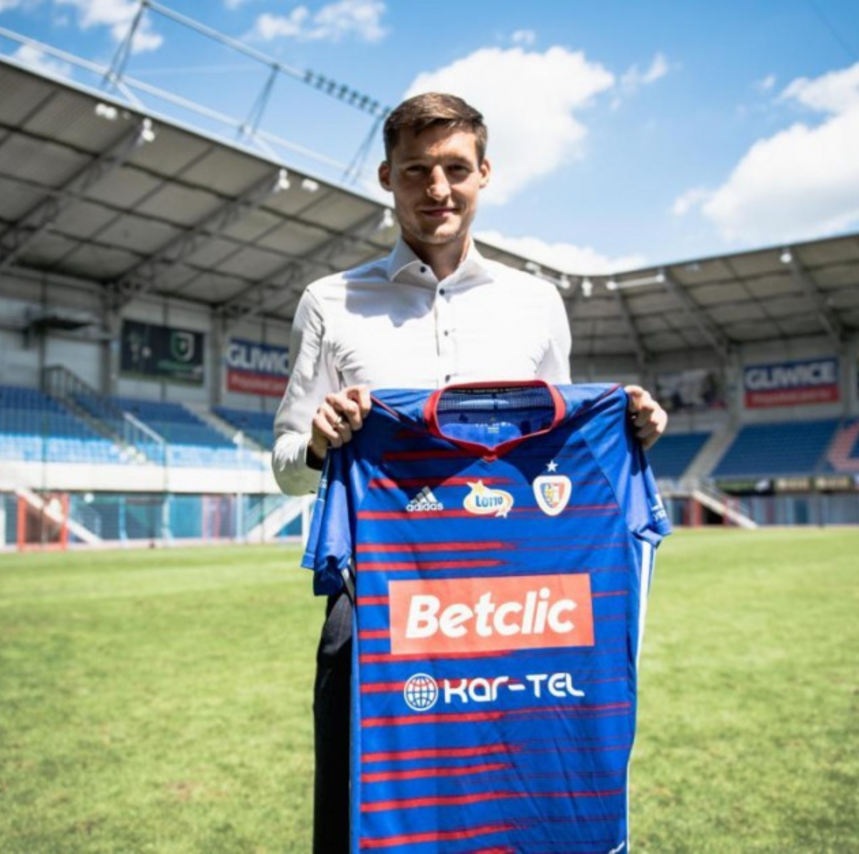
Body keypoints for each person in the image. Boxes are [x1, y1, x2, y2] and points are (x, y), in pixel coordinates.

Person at [271, 91, 667, 853]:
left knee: (520, 799)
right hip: (380, 600)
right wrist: (318, 444)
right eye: (416, 170)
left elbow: (562, 452)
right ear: (386, 177)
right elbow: (287, 466)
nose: (437, 189)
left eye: (455, 168)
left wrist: (635, 430)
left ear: (485, 173)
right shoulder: (330, 302)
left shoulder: (536, 302)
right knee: (364, 816)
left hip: (516, 605)